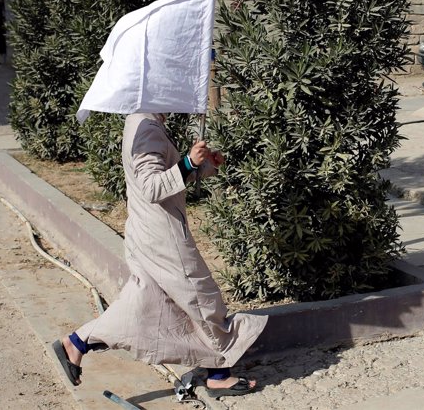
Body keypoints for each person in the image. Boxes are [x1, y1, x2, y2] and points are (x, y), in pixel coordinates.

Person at [52, 113, 268, 397]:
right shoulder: (146, 128)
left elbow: (163, 178)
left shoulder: (144, 122)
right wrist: (188, 162)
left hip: (147, 229)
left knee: (144, 302)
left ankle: (77, 343)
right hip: (162, 236)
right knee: (201, 297)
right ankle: (218, 374)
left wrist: (201, 167)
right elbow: (152, 188)